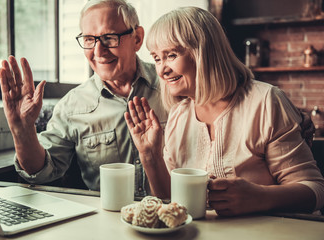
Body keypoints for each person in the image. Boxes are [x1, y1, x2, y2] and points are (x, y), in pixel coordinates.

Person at [124, 7, 324, 216]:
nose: (162, 69)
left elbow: (315, 190)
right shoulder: (178, 116)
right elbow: (171, 204)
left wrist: (260, 197)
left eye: (171, 55)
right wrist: (150, 156)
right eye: (157, 58)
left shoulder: (265, 101)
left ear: (204, 52)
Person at [0, 0, 168, 197]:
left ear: (137, 38)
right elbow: (41, 172)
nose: (98, 52)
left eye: (109, 38)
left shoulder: (171, 85)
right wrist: (22, 131)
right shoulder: (71, 106)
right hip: (105, 221)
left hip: (171, 217)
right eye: (89, 39)